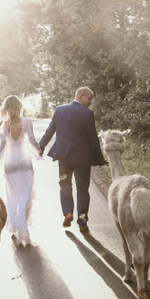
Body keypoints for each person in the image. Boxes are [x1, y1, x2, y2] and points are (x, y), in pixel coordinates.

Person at [38, 87, 107, 233]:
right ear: (81, 96)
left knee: (64, 184)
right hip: (82, 159)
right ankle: (82, 218)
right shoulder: (87, 114)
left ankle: (68, 212)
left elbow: (50, 130)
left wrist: (41, 146)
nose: (90, 103)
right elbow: (93, 139)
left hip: (63, 157)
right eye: (89, 99)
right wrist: (99, 158)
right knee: (82, 189)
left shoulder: (59, 110)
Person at [0, 95, 41, 245]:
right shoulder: (27, 122)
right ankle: (22, 224)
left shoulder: (3, 125)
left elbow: (2, 145)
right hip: (24, 161)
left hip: (9, 163)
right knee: (25, 197)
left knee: (12, 197)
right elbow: (32, 140)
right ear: (20, 107)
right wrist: (39, 151)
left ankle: (14, 225)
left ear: (6, 108)